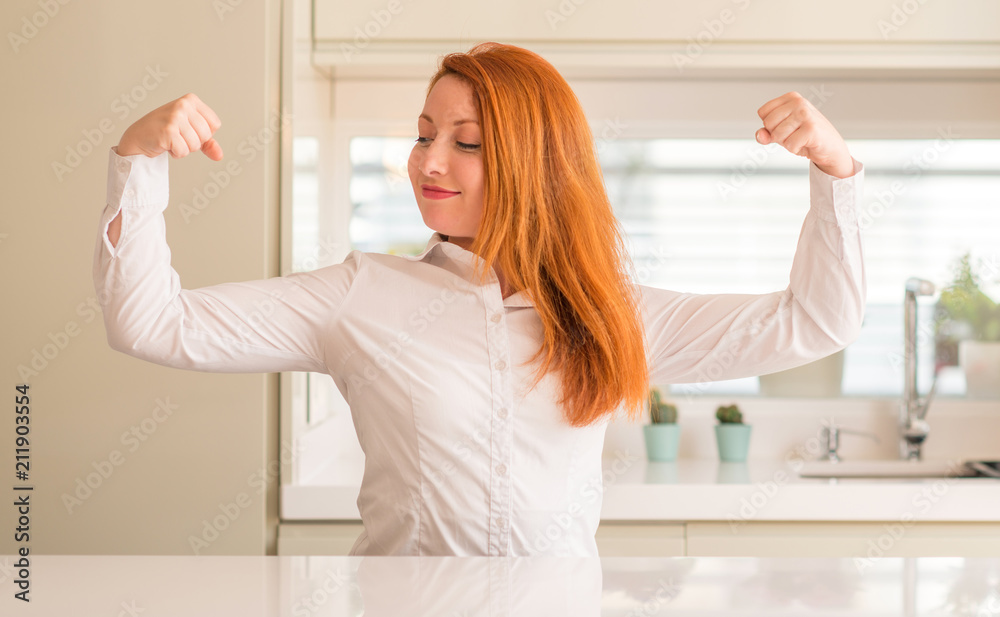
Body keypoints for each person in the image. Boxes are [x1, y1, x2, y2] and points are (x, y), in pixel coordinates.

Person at [93, 42, 865, 557]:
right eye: (425, 133)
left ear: (534, 163)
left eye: (464, 141)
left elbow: (816, 321)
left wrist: (835, 169)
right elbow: (153, 322)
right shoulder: (359, 295)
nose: (428, 160)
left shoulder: (609, 315)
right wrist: (139, 161)